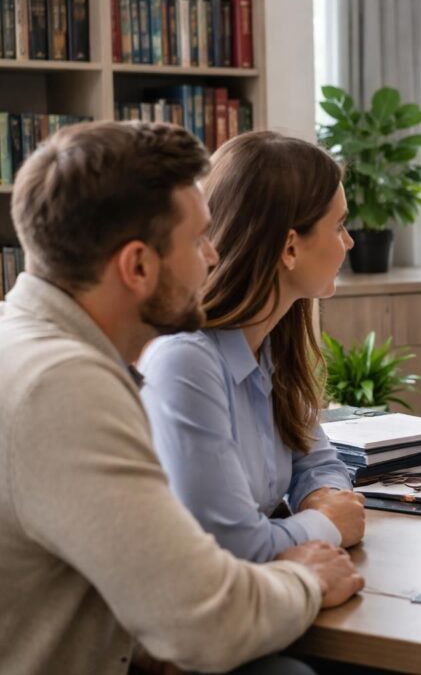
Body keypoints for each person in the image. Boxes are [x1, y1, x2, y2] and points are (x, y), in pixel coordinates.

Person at [0, 121, 363, 675]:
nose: (215, 257)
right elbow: (204, 621)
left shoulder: (32, 347)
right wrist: (308, 577)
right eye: (197, 240)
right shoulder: (63, 386)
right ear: (138, 266)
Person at [139, 131, 365, 562]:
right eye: (338, 226)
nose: (349, 242)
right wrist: (326, 524)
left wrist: (322, 497)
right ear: (290, 247)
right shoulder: (185, 360)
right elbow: (230, 547)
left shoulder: (273, 344)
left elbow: (318, 463)